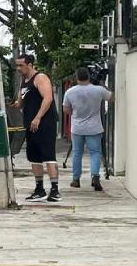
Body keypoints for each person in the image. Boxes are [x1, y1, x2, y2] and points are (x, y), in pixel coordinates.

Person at [14, 54, 60, 202]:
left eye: (21, 65)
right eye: (17, 65)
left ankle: (55, 189)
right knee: (34, 157)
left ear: (30, 64)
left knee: (48, 155)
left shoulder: (40, 78)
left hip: (44, 122)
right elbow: (21, 102)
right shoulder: (23, 81)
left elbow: (48, 98)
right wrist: (16, 103)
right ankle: (39, 189)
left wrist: (38, 117)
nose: (18, 68)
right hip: (29, 123)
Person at [63, 67, 110, 191]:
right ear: (89, 76)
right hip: (94, 127)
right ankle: (95, 176)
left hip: (77, 128)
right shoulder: (98, 90)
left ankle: (76, 179)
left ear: (77, 77)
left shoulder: (70, 92)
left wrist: (76, 112)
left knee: (77, 153)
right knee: (95, 153)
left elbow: (66, 110)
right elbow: (112, 98)